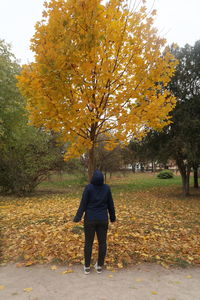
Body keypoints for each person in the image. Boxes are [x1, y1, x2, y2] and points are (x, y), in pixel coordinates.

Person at [73, 170, 116, 275]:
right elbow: (111, 204)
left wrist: (77, 217)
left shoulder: (88, 188)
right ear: (102, 178)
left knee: (88, 243)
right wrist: (113, 217)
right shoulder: (106, 188)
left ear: (92, 178)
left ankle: (87, 267)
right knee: (102, 243)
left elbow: (83, 204)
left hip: (90, 220)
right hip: (102, 220)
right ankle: (99, 266)